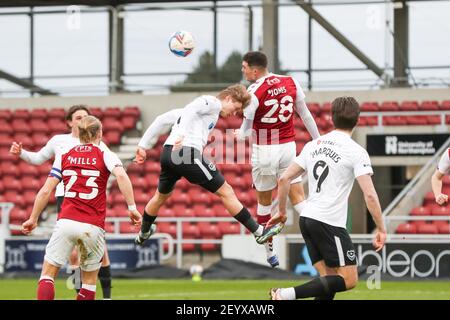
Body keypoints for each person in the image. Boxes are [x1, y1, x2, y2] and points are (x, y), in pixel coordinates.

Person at [134, 84, 285, 246]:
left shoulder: (193, 114)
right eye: (236, 107)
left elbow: (161, 120)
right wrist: (181, 134)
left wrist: (143, 145)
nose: (235, 113)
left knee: (160, 196)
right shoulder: (212, 103)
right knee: (226, 191)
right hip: (185, 153)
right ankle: (258, 232)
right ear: (228, 98)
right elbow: (193, 106)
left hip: (168, 154)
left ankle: (144, 231)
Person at [268, 96, 386, 300]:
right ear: (357, 120)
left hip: (307, 219)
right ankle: (284, 295)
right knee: (349, 280)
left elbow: (285, 178)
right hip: (329, 223)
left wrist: (281, 212)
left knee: (328, 280)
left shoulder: (314, 145)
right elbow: (370, 195)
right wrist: (382, 228)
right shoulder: (356, 152)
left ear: (332, 118)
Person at [21, 116, 141, 300]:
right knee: (88, 284)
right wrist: (132, 207)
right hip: (93, 226)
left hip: (66, 221)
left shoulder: (66, 154)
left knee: (47, 275)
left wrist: (33, 218)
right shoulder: (104, 153)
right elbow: (122, 176)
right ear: (99, 133)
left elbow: (46, 190)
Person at [10, 105, 114, 299]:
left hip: (88, 199)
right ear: (69, 122)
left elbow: (110, 167)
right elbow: (38, 158)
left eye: (86, 116)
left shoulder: (100, 145)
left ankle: (107, 295)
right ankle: (79, 291)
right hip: (65, 196)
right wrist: (22, 153)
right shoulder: (59, 141)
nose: (83, 119)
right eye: (78, 117)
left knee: (101, 252)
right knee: (74, 255)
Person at [236, 51, 320, 267]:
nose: (242, 70)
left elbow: (245, 131)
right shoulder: (290, 81)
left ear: (255, 70)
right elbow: (306, 114)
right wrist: (318, 140)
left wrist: (239, 133)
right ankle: (323, 232)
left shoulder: (253, 91)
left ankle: (269, 254)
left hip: (265, 150)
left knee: (264, 204)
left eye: (244, 67)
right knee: (299, 199)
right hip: (288, 148)